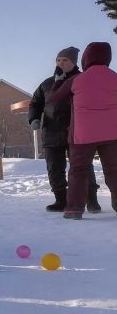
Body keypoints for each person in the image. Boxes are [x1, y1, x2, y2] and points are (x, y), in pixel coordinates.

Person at [49, 42, 117, 219]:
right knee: (114, 170)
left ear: (86, 57)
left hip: (83, 134)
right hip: (113, 133)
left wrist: (58, 80)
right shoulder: (115, 77)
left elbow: (55, 98)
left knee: (78, 171)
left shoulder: (77, 79)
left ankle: (74, 209)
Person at [28, 46, 100, 212]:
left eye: (65, 60)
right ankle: (61, 199)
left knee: (83, 166)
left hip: (77, 131)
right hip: (51, 132)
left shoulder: (83, 80)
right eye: (58, 60)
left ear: (73, 62)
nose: (60, 63)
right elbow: (35, 103)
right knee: (54, 168)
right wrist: (34, 118)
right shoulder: (47, 83)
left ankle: (91, 199)